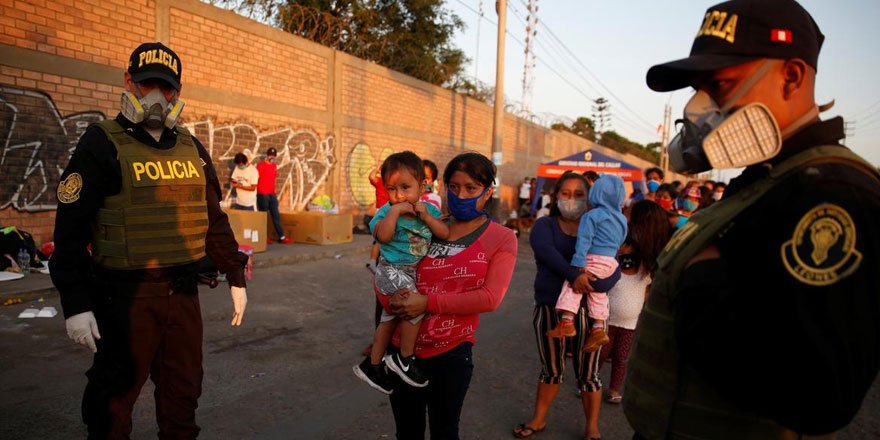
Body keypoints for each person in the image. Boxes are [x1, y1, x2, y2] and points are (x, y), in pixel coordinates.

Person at [625, 1, 880, 438]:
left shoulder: (832, 193)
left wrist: (701, 274)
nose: (700, 108)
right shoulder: (767, 179)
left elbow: (821, 395)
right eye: (698, 89)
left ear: (792, 76)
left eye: (721, 84)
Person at [50, 42, 249, 438]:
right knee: (112, 406)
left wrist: (236, 274)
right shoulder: (101, 143)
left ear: (178, 91)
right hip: (124, 300)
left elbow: (212, 219)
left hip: (184, 295)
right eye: (147, 85)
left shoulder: (192, 146)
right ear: (129, 82)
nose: (157, 96)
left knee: (183, 397)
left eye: (166, 87)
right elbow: (69, 231)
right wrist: (76, 303)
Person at [381, 152, 517, 440]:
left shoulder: (502, 238)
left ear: (488, 192)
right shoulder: (426, 226)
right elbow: (392, 268)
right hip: (403, 354)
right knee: (407, 432)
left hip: (450, 354)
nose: (460, 194)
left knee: (444, 431)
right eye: (453, 187)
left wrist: (427, 303)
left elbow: (490, 298)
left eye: (471, 188)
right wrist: (384, 315)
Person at [514, 171, 621, 440]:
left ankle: (592, 428)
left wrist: (604, 284)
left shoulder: (599, 223)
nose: (571, 199)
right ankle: (538, 420)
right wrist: (576, 275)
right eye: (565, 193)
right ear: (555, 196)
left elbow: (613, 261)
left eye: (579, 194)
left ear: (590, 197)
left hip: (592, 312)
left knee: (589, 372)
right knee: (551, 367)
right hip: (552, 306)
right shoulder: (545, 226)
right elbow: (547, 254)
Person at [353, 152, 449, 394]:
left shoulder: (427, 211)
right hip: (391, 271)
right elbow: (382, 237)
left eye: (406, 187)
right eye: (392, 189)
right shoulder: (385, 213)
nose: (398, 195)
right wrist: (394, 213)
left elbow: (444, 233)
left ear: (423, 186)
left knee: (388, 320)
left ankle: (372, 365)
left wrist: (426, 216)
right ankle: (404, 359)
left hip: (409, 272)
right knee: (414, 309)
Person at [599, 200, 671, 404]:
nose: (624, 217)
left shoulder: (654, 257)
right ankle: (589, 382)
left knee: (622, 358)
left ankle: (614, 389)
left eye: (629, 214)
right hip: (605, 315)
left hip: (630, 322)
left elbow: (651, 290)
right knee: (600, 353)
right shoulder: (620, 245)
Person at [545, 174, 627, 353]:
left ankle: (566, 321)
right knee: (599, 294)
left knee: (573, 285)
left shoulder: (592, 216)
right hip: (610, 262)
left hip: (593, 258)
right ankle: (598, 328)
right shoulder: (621, 218)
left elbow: (584, 239)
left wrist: (579, 261)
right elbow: (621, 240)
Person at [256, 147, 291, 244]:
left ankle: (282, 237)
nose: (272, 157)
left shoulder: (274, 166)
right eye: (271, 155)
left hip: (272, 194)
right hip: (262, 194)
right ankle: (264, 237)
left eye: (274, 156)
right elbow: (256, 179)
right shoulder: (260, 166)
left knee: (276, 216)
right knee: (264, 217)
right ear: (267, 156)